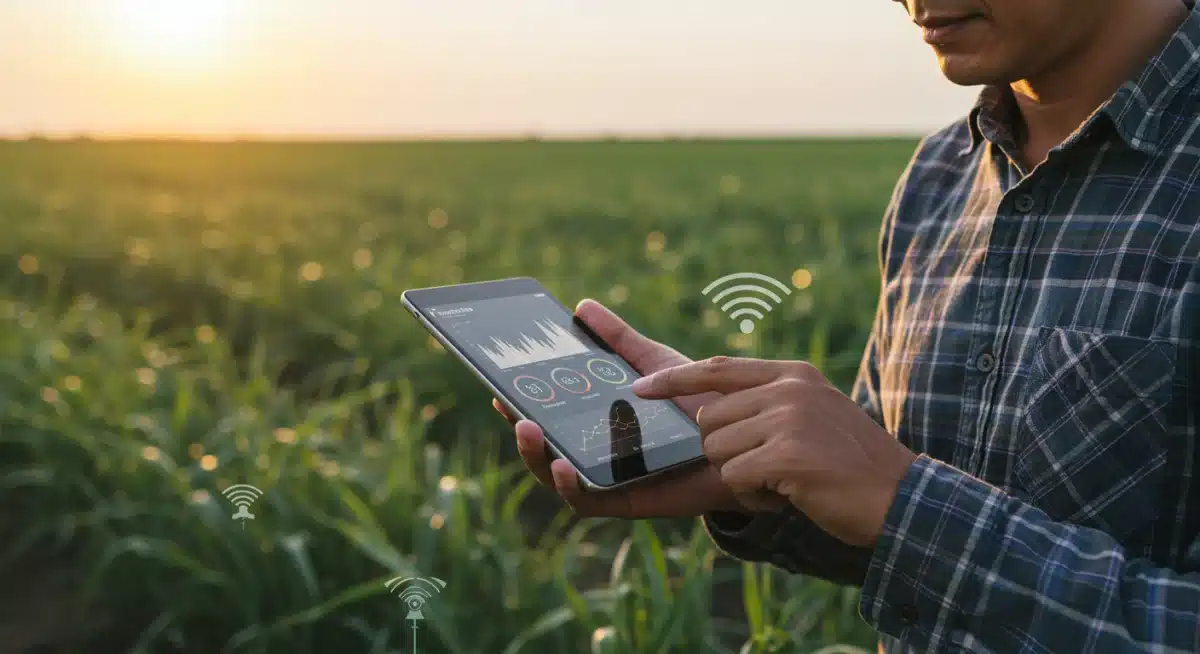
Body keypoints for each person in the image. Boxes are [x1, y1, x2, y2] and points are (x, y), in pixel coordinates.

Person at [493, 0, 1200, 650]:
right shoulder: (939, 177)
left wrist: (905, 503)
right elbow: (893, 521)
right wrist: (755, 477)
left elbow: (904, 501)